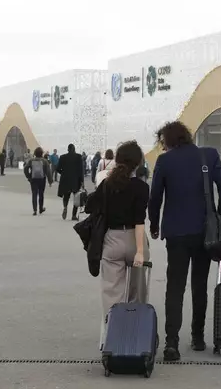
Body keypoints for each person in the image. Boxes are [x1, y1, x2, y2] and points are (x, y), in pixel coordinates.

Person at [148, 121, 221, 361]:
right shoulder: (209, 155)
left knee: (175, 286)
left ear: (168, 141)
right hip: (204, 230)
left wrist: (154, 224)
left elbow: (155, 198)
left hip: (175, 232)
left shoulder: (164, 161)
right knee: (199, 284)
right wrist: (220, 217)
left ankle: (171, 343)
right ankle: (197, 337)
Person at [85, 141, 150, 350]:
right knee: (137, 293)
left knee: (111, 293)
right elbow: (140, 221)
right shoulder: (141, 187)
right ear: (138, 162)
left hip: (111, 240)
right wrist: (140, 251)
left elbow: (92, 207)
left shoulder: (106, 184)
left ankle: (109, 339)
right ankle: (136, 337)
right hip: (134, 239)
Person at [57, 143, 84, 221]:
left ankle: (65, 207)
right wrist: (82, 181)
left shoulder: (62, 157)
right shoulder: (78, 157)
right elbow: (81, 170)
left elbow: (58, 168)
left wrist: (63, 173)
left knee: (66, 196)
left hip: (65, 180)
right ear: (74, 149)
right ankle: (73, 215)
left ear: (68, 149)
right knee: (76, 197)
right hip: (75, 180)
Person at [23, 147, 53, 216]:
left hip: (33, 179)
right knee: (41, 194)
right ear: (41, 153)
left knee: (34, 194)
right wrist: (50, 181)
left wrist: (29, 177)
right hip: (42, 179)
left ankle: (35, 210)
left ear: (35, 153)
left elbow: (25, 169)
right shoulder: (45, 161)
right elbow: (48, 172)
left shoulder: (31, 160)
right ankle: (41, 208)